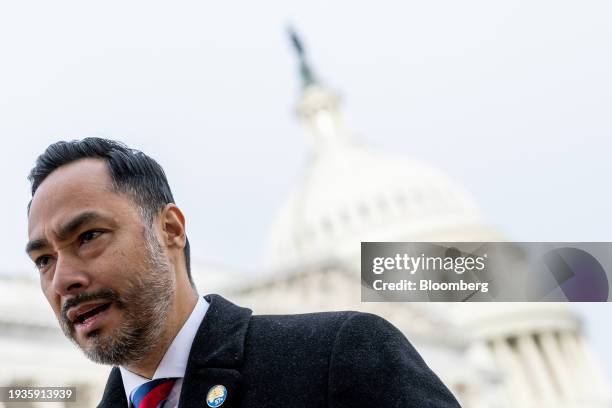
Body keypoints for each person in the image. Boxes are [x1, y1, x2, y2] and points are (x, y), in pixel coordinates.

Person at [25, 138, 461, 408]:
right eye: (43, 259)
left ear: (170, 230)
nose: (63, 280)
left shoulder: (339, 354)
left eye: (89, 236)